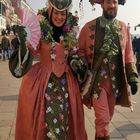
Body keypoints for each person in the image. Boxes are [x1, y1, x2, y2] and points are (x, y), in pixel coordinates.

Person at [14, 0, 87, 140]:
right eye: (57, 13)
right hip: (43, 83)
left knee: (66, 120)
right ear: (50, 11)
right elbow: (31, 49)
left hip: (67, 84)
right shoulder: (39, 26)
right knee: (45, 122)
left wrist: (77, 62)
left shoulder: (70, 29)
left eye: (62, 14)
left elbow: (72, 52)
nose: (59, 17)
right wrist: (23, 43)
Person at [78, 0, 138, 140]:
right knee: (103, 118)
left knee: (106, 119)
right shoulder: (88, 27)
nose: (112, 5)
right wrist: (80, 65)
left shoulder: (124, 27)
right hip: (97, 83)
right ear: (102, 4)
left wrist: (133, 76)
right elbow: (79, 50)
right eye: (108, 2)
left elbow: (128, 55)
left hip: (115, 83)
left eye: (115, 2)